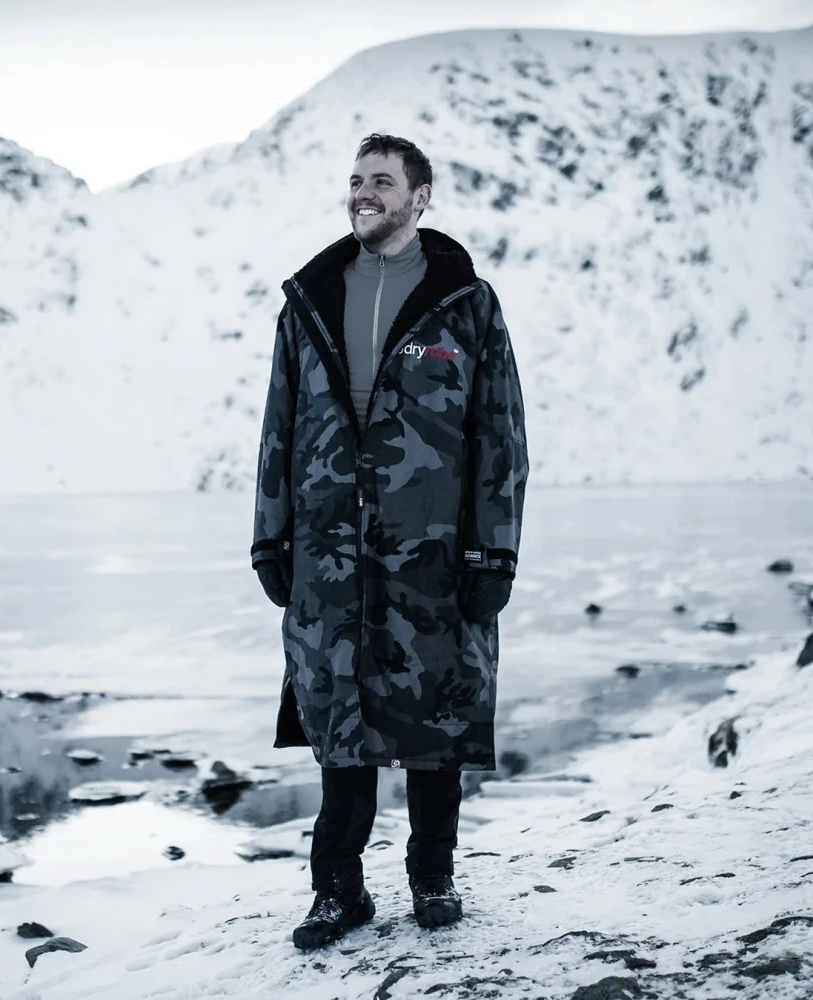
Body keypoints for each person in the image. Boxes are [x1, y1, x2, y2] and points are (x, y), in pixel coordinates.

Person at [250, 133, 529, 949]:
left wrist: (494, 551)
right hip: (329, 551)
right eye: (355, 180)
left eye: (381, 180)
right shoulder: (308, 300)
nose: (363, 192)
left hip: (434, 554)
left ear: (419, 196)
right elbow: (278, 428)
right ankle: (337, 892)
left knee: (436, 724)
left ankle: (432, 878)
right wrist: (270, 539)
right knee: (341, 729)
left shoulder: (465, 302)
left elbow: (500, 435)